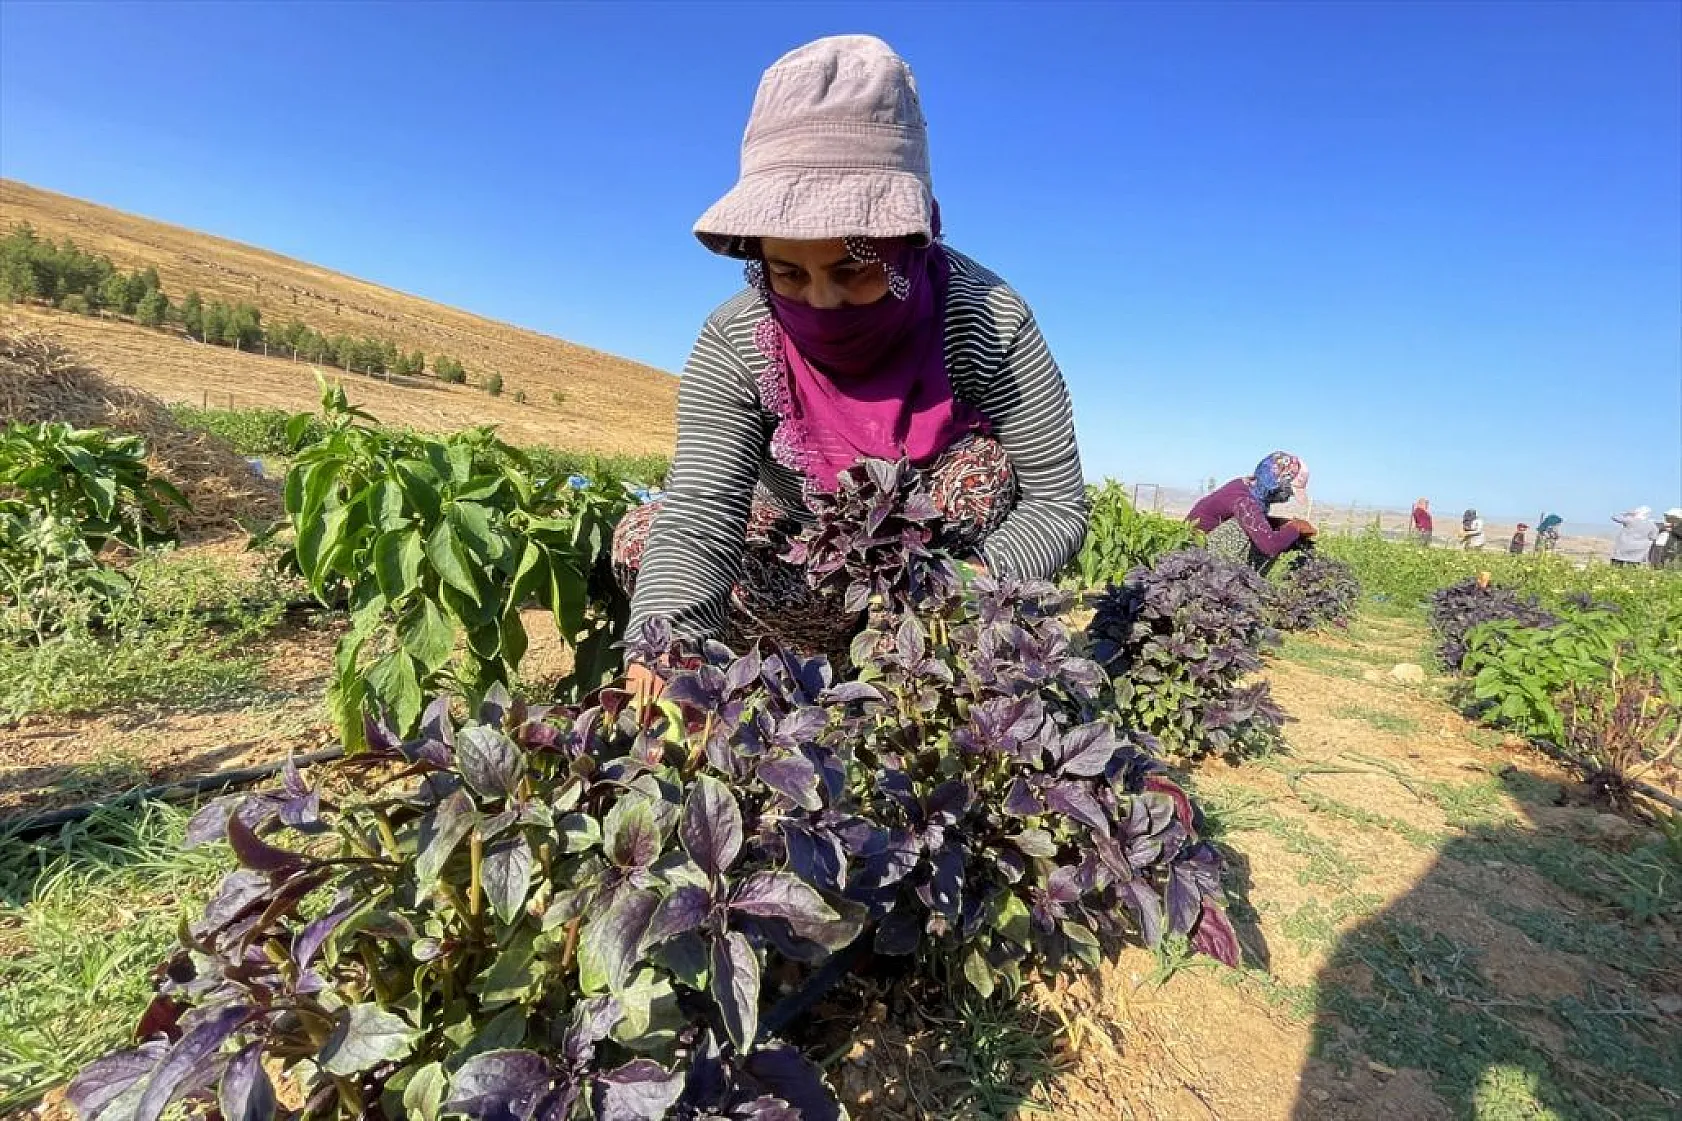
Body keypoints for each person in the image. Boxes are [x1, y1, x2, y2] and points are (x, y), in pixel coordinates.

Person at [615, 36, 1087, 692]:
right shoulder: (738, 339)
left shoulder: (988, 319)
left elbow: (1057, 503)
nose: (821, 300)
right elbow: (701, 507)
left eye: (854, 270)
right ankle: (786, 669)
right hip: (801, 568)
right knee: (645, 535)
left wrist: (975, 588)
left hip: (933, 579)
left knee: (986, 470)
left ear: (911, 241)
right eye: (788, 272)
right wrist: (665, 650)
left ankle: (908, 672)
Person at [1184, 452, 1315, 573]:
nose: (1288, 497)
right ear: (1277, 482)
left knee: (1264, 529)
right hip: (1194, 555)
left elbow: (1256, 516)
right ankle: (1224, 576)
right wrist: (1296, 527)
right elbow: (1270, 545)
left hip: (1200, 550)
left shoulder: (1247, 487)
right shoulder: (1243, 500)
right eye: (1289, 491)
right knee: (1246, 530)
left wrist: (1280, 523)